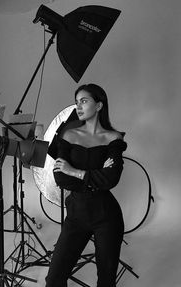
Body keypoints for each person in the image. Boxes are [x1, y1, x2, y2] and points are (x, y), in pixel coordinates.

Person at [45, 83, 127, 287]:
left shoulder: (113, 138)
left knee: (106, 280)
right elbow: (61, 179)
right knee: (54, 278)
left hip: (107, 216)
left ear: (99, 106)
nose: (78, 107)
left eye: (84, 101)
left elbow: (112, 179)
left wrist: (74, 171)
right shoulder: (68, 136)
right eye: (76, 102)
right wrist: (96, 176)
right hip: (76, 215)